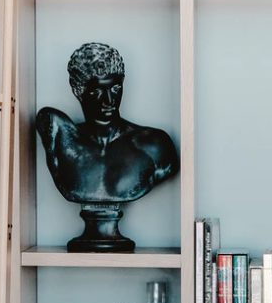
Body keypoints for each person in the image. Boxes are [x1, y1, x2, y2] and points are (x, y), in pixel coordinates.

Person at [37, 42, 179, 251]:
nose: (109, 100)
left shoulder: (155, 144)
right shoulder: (60, 136)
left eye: (115, 88)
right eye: (97, 92)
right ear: (79, 90)